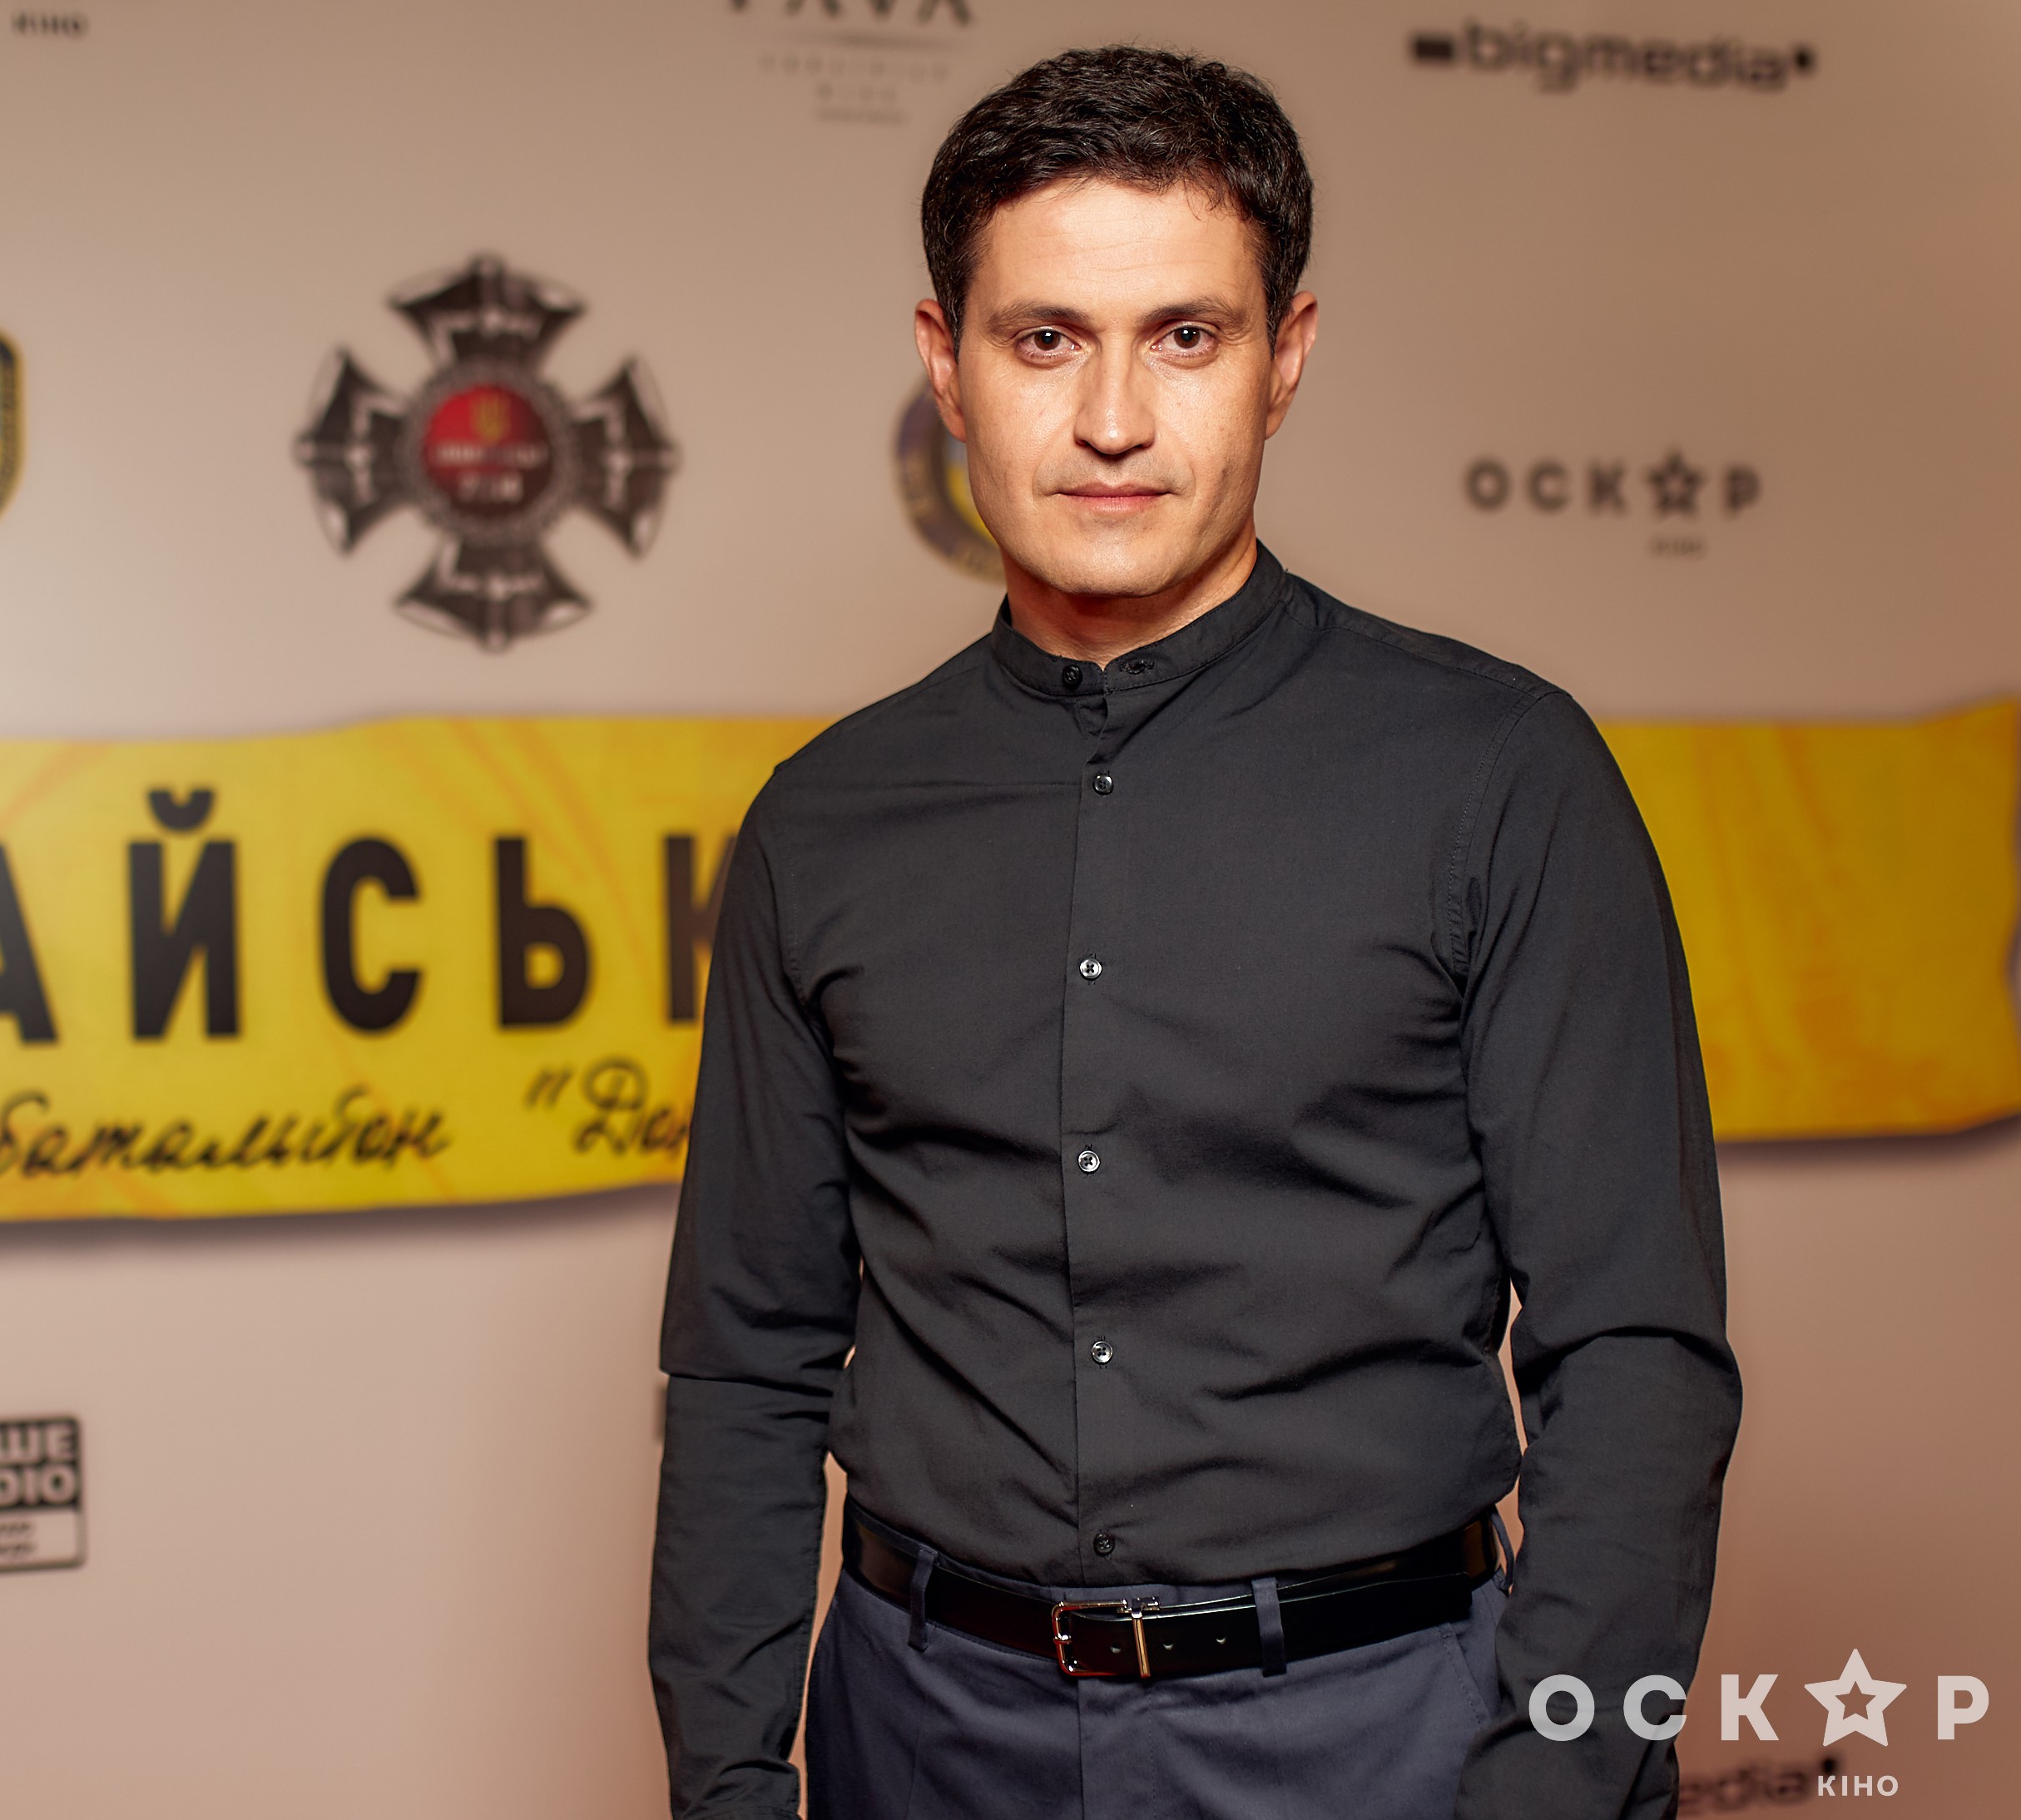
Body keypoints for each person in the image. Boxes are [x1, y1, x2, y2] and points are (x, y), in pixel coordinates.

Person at [649, 46, 1741, 1820]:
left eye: (1184, 335)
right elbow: (744, 1358)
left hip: (1385, 1730)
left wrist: (1558, 1772)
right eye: (1044, 338)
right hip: (926, 1734)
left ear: (1283, 357)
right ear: (945, 362)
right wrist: (722, 1780)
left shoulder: (1500, 775)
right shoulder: (821, 821)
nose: (1111, 419)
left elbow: (1636, 1353)